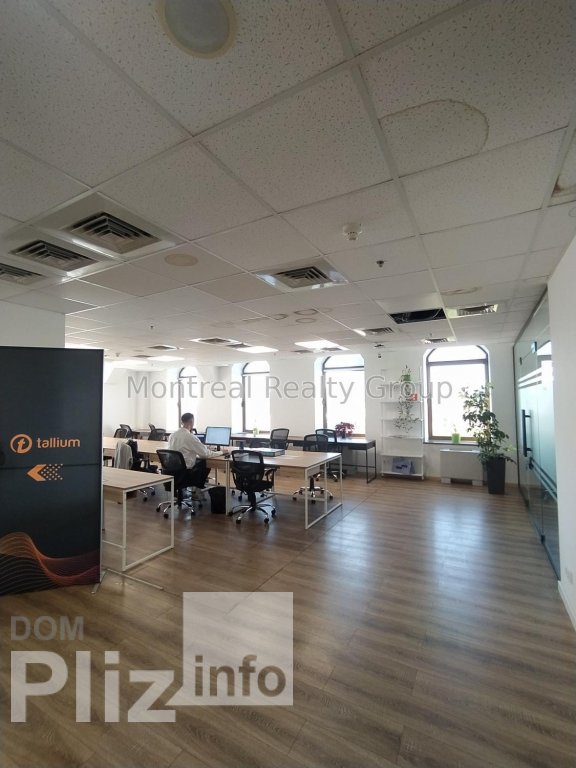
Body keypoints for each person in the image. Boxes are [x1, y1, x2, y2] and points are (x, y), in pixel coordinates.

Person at [168, 413, 223, 490]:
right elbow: (205, 454)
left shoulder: (172, 435)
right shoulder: (190, 437)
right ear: (191, 422)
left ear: (182, 422)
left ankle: (192, 490)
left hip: (171, 471)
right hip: (184, 473)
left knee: (197, 460)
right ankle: (198, 488)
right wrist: (222, 452)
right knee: (204, 462)